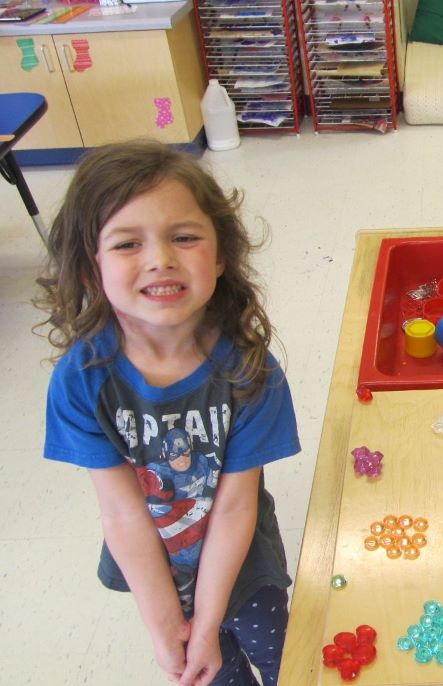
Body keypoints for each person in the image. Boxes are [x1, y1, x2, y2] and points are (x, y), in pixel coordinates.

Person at [36, 140, 300, 685]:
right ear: (90, 268)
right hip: (155, 569)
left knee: (286, 665)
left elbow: (233, 508)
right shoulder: (82, 379)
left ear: (221, 255)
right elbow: (123, 513)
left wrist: (209, 620)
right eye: (128, 243)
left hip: (243, 566)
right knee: (214, 675)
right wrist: (166, 626)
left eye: (184, 237)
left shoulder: (250, 369)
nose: (160, 259)